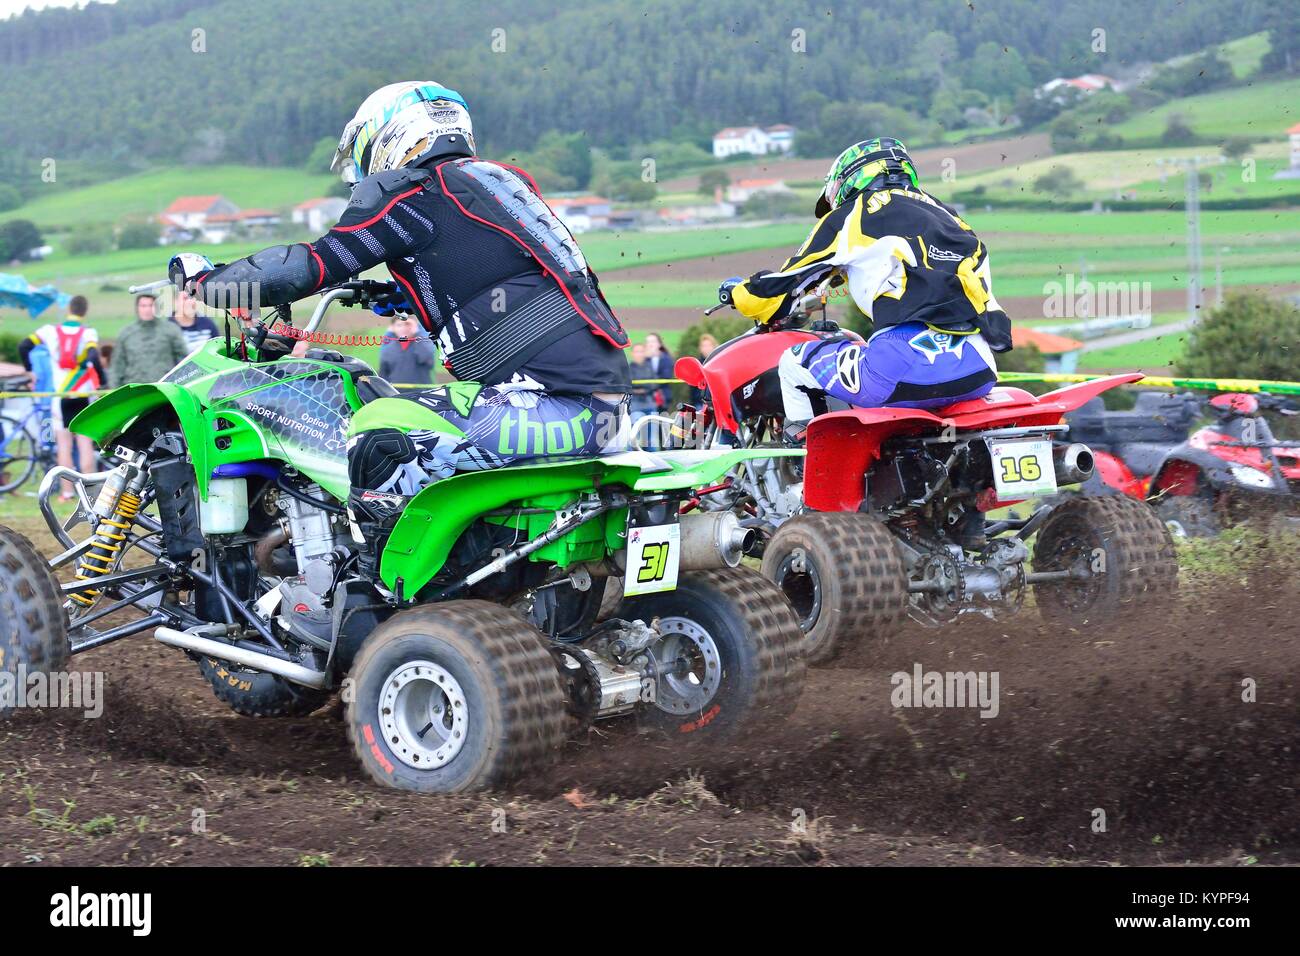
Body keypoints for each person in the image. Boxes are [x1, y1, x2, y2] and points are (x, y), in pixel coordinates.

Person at [170, 81, 631, 574]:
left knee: (374, 428)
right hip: (604, 413)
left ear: (388, 135)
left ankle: (373, 600)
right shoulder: (496, 182)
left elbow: (313, 265)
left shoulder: (408, 193)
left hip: (554, 412)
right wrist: (410, 291)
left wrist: (211, 282)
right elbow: (491, 265)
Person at [721, 137, 1011, 440]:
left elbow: (780, 287)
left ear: (848, 179)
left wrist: (741, 293)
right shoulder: (949, 216)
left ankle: (807, 471)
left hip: (899, 367)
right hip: (978, 366)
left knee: (793, 362)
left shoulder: (852, 215)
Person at [18, 295, 104, 499]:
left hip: (60, 394)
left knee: (64, 445)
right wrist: (101, 379)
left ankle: (66, 493)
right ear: (85, 311)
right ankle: (90, 494)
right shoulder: (89, 332)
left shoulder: (48, 331)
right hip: (83, 393)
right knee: (85, 444)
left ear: (68, 309)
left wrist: (30, 371)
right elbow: (93, 357)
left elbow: (24, 346)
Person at [110, 293, 190, 389]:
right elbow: (117, 366)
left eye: (151, 305)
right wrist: (116, 391)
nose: (147, 309)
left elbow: (184, 361)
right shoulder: (126, 333)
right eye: (143, 306)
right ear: (137, 308)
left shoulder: (171, 330)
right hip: (135, 391)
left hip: (166, 390)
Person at [378, 314, 436, 386]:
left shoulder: (423, 343)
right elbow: (383, 374)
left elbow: (425, 357)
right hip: (396, 393)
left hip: (421, 392)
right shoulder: (388, 348)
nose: (404, 328)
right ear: (393, 328)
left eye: (408, 324)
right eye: (399, 325)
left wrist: (417, 331)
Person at [627, 341, 658, 448]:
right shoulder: (628, 368)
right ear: (632, 354)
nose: (639, 354)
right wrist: (644, 388)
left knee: (651, 441)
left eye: (641, 351)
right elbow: (629, 386)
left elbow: (654, 385)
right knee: (633, 437)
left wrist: (642, 388)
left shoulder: (650, 367)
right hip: (635, 406)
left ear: (644, 353)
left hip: (650, 404)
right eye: (636, 352)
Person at [642, 332, 674, 414]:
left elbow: (666, 377)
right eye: (648, 342)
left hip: (663, 398)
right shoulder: (643, 360)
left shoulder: (666, 359)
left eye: (653, 341)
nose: (650, 344)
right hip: (646, 398)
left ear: (659, 344)